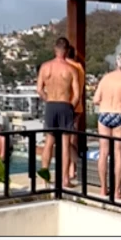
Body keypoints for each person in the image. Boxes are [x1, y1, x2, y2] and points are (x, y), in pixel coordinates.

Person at [93, 52, 121, 199]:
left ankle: (102, 189)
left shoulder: (105, 79)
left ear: (116, 64)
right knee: (119, 154)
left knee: (103, 151)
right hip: (120, 115)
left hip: (104, 114)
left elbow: (95, 100)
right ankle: (117, 191)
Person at [37, 36, 80, 188]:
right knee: (65, 143)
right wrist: (70, 106)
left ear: (55, 49)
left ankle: (44, 178)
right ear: (67, 51)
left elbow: (39, 90)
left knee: (49, 142)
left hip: (51, 104)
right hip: (64, 104)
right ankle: (65, 180)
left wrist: (48, 99)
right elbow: (77, 93)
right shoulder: (71, 69)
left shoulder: (45, 67)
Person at [66, 46, 86, 180]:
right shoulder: (79, 67)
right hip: (77, 107)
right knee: (72, 140)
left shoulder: (67, 67)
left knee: (65, 141)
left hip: (68, 106)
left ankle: (74, 166)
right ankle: (72, 169)